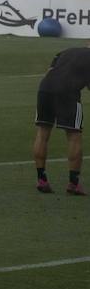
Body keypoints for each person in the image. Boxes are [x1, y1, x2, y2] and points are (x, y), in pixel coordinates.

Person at [33, 45, 90, 195]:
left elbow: (50, 71)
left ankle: (41, 179)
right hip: (67, 92)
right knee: (74, 136)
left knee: (42, 133)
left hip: (44, 88)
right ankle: (74, 183)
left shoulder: (65, 52)